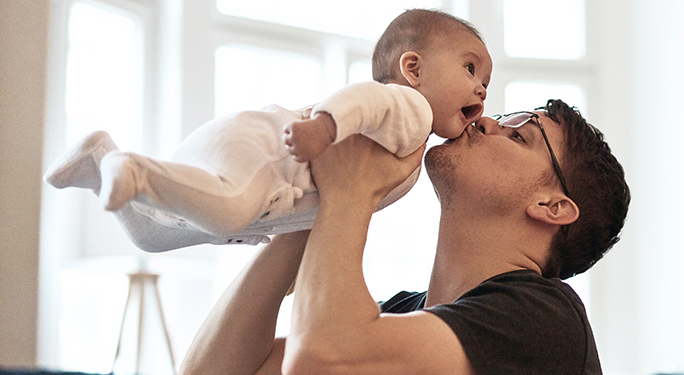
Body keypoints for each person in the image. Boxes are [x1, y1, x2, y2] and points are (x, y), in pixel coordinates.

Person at [177, 99, 631, 375]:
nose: (487, 121)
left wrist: (351, 191)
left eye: (519, 135)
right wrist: (312, 206)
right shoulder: (398, 316)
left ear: (552, 207)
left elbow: (319, 362)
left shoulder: (547, 322)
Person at [43, 9, 489, 252]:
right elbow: (363, 100)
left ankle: (98, 161)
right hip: (262, 154)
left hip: (253, 175)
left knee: (152, 238)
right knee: (228, 212)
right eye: (470, 68)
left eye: (485, 83)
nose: (480, 89)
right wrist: (323, 127)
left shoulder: (408, 142)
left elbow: (332, 207)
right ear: (412, 68)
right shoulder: (410, 107)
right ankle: (131, 167)